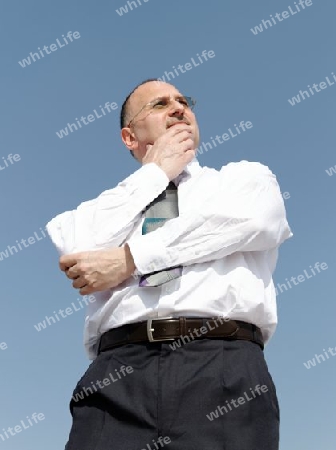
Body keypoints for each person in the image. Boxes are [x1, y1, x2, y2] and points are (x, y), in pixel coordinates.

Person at [46, 78, 293, 450]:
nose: (179, 108)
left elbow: (253, 221)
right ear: (130, 138)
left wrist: (130, 259)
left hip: (221, 366)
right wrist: (155, 173)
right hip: (117, 374)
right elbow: (78, 247)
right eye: (159, 105)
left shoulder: (243, 178)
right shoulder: (109, 206)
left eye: (183, 101)